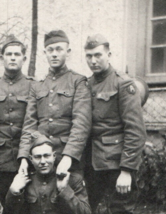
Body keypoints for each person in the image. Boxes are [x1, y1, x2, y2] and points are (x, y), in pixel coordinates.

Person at [84, 34, 146, 214]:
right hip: (92, 164)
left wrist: (127, 170)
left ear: (108, 54)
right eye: (89, 56)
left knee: (120, 210)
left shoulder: (123, 84)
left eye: (98, 55)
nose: (93, 61)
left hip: (116, 164)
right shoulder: (87, 84)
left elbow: (135, 130)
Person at [18, 30, 91, 179]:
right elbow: (29, 125)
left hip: (68, 160)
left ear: (68, 52)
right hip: (41, 161)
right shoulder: (38, 85)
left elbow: (81, 124)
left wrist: (69, 156)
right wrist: (24, 158)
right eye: (50, 50)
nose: (54, 54)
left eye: (59, 49)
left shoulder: (78, 82)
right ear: (45, 53)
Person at [4, 131, 91, 214]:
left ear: (54, 156)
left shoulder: (72, 179)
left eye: (46, 156)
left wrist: (64, 190)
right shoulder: (25, 181)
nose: (42, 161)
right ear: (31, 159)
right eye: (38, 157)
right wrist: (14, 192)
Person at [0, 34, 34, 206]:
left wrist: (26, 156)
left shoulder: (33, 86)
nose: (13, 57)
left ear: (24, 58)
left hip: (27, 160)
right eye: (8, 54)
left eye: (17, 54)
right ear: (2, 58)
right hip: (2, 161)